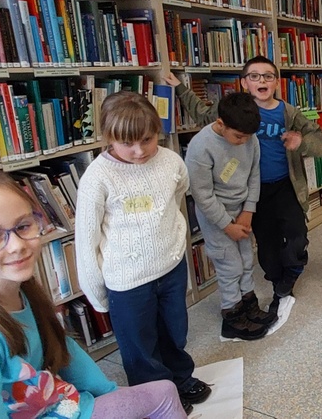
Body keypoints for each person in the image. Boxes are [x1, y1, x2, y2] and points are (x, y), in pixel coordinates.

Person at [0, 171, 189, 418]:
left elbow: (63, 349)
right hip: (46, 409)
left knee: (163, 392)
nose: (16, 246)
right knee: (163, 394)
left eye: (23, 226)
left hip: (53, 404)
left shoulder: (22, 292)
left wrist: (109, 394)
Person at [75, 91, 210, 412]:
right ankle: (155, 397)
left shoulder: (171, 161)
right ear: (109, 138)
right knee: (140, 345)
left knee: (174, 332)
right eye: (127, 143)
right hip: (127, 281)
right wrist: (97, 293)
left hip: (171, 267)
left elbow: (177, 195)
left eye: (147, 140)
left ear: (157, 132)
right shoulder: (98, 178)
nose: (139, 151)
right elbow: (86, 240)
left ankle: (180, 378)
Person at [165, 55, 322, 312]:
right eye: (254, 76)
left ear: (276, 82)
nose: (262, 80)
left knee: (297, 237)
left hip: (285, 186)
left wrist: (301, 143)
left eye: (268, 76)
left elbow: (320, 142)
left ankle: (292, 272)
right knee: (266, 246)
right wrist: (180, 88)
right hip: (252, 192)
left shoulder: (288, 112)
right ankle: (278, 282)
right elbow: (203, 116)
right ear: (244, 83)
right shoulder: (235, 111)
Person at [185, 91, 277, 341]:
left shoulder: (250, 138)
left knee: (246, 259)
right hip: (215, 216)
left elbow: (254, 176)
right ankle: (232, 316)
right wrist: (227, 225)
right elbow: (202, 195)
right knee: (230, 266)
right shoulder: (200, 147)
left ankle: (249, 306)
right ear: (220, 123)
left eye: (247, 137)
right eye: (238, 136)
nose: (243, 141)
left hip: (241, 210)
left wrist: (248, 211)